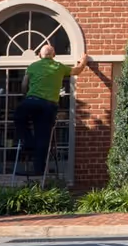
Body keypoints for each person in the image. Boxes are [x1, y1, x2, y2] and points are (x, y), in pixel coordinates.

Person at [14, 43, 86, 177]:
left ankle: (28, 142)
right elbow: (77, 71)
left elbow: (24, 85)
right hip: (48, 106)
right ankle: (38, 170)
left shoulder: (33, 66)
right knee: (43, 137)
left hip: (32, 101)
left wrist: (26, 97)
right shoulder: (58, 66)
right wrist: (84, 61)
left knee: (19, 118)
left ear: (39, 55)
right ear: (54, 55)